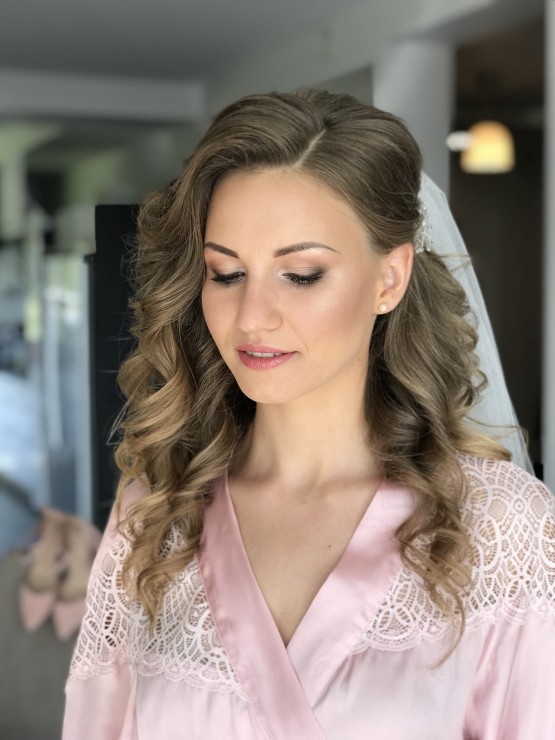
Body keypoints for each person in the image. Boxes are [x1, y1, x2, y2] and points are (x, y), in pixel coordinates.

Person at [63, 89, 555, 739]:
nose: (251, 317)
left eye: (299, 274)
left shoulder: (502, 528)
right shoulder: (154, 517)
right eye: (225, 273)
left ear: (389, 279)